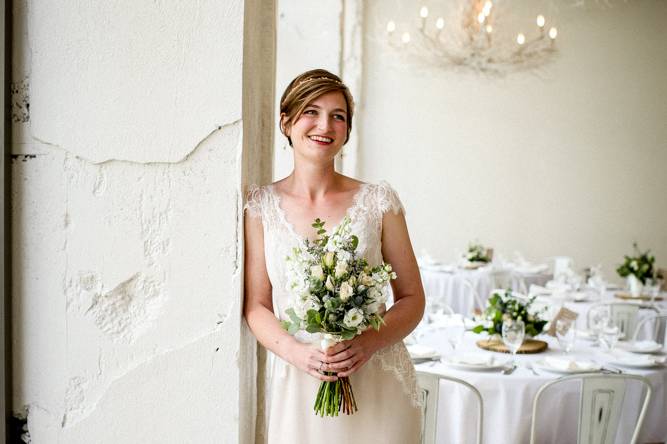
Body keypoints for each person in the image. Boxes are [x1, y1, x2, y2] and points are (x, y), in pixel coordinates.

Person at [244, 69, 425, 444]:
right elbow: (256, 305)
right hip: (300, 384)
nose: (325, 125)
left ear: (347, 130)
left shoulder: (379, 202)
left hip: (377, 382)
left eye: (338, 116)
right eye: (311, 111)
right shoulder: (261, 207)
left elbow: (412, 298)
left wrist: (367, 344)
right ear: (287, 122)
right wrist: (295, 352)